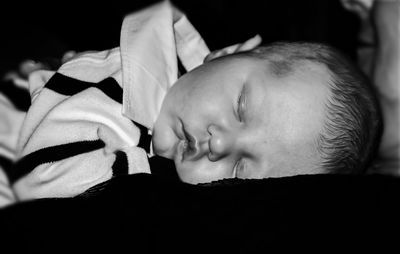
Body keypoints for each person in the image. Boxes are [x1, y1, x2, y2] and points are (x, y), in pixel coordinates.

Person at [0, 0, 383, 202]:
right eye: (242, 107)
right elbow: (42, 184)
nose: (220, 143)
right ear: (224, 54)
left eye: (241, 172)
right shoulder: (121, 83)